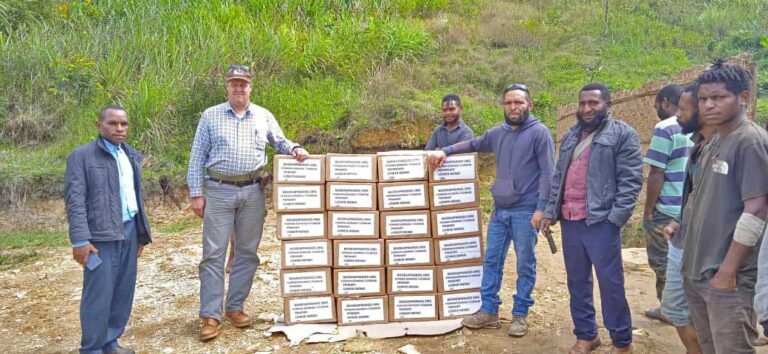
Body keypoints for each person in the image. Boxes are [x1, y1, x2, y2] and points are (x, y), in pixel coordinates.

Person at [187, 65, 309, 340]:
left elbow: (279, 141)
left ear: (250, 87)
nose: (239, 88)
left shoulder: (263, 115)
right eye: (234, 84)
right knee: (213, 254)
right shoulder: (210, 116)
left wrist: (295, 148)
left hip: (254, 192)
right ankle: (210, 315)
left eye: (244, 84)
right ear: (227, 87)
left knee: (247, 253)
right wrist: (197, 194)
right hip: (218, 191)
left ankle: (235, 307)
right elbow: (196, 157)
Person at [427, 83, 555, 337]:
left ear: (529, 105)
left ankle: (520, 314)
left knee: (525, 264)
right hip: (500, 211)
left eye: (518, 102)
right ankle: (488, 311)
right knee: (491, 261)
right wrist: (445, 150)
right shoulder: (498, 133)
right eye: (508, 103)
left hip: (525, 211)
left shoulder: (540, 133)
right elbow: (473, 144)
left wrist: (542, 210)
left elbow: (548, 174)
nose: (513, 107)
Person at [541, 83, 643, 354]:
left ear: (608, 104)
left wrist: (614, 220)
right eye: (583, 103)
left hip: (601, 223)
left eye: (593, 103)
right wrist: (551, 212)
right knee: (577, 282)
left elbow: (631, 182)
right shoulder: (571, 135)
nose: (587, 108)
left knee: (611, 283)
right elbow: (558, 177)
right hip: (570, 221)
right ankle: (587, 335)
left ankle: (622, 342)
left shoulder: (624, 135)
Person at [681, 60, 768, 354]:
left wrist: (727, 271)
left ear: (743, 98)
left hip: (727, 279)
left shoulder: (750, 141)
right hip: (698, 271)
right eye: (704, 99)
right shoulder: (714, 140)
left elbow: (756, 209)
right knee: (709, 347)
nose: (708, 105)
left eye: (719, 98)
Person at [65, 105, 152, 354]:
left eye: (124, 124)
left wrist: (140, 235)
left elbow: (133, 198)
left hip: (129, 232)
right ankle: (92, 349)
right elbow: (75, 200)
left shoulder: (129, 155)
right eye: (112, 123)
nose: (119, 128)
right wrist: (80, 239)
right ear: (99, 125)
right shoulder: (82, 156)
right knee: (98, 297)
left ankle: (110, 343)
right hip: (100, 239)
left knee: (122, 293)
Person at [660, 83, 708, 354]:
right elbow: (694, 195)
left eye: (684, 110)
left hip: (709, 251)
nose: (678, 115)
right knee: (676, 310)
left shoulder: (744, 145)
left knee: (709, 317)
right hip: (683, 242)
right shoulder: (697, 146)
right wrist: (679, 221)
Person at [641, 84, 692, 322]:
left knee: (662, 260)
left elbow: (657, 173)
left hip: (666, 209)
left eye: (656, 105)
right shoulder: (699, 129)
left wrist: (649, 210)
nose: (656, 110)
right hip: (691, 209)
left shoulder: (665, 128)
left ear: (665, 102)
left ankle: (670, 308)